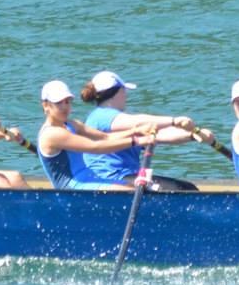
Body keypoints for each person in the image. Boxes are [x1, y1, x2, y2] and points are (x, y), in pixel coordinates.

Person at [77, 68, 205, 192]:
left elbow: (161, 135)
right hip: (109, 179)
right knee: (181, 191)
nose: (126, 95)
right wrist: (174, 120)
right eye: (124, 90)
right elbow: (139, 121)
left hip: (130, 176)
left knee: (187, 187)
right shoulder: (101, 116)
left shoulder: (121, 121)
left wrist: (193, 135)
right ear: (118, 92)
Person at [34, 80, 160, 189]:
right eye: (58, 103)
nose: (64, 107)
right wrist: (136, 141)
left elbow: (105, 137)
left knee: (141, 187)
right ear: (46, 106)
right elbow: (96, 147)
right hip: (73, 187)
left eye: (67, 102)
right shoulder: (51, 134)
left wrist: (136, 131)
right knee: (131, 191)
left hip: (90, 177)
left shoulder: (72, 124)